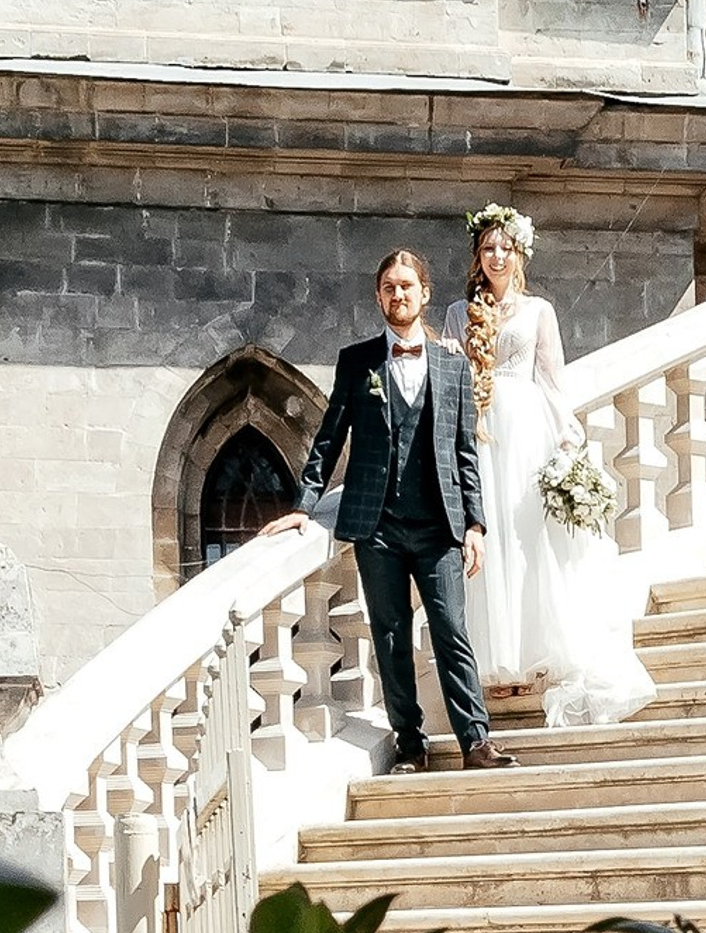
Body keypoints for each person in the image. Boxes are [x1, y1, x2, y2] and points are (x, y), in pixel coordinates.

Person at [278, 243, 502, 772]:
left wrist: (475, 523)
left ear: (425, 294)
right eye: (388, 287)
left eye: (406, 286)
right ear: (379, 296)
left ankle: (476, 740)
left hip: (439, 524)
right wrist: (305, 506)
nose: (397, 294)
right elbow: (329, 438)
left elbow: (464, 450)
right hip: (376, 524)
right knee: (391, 634)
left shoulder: (453, 364)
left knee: (451, 631)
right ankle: (410, 743)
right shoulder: (357, 362)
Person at [447, 203, 655, 730]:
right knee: (488, 540)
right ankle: (497, 663)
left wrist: (568, 441)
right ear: (478, 256)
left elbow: (553, 381)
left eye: (505, 248)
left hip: (526, 429)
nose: (496, 256)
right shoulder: (456, 313)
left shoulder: (539, 310)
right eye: (488, 248)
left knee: (527, 539)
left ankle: (534, 660)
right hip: (479, 432)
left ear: (520, 255)